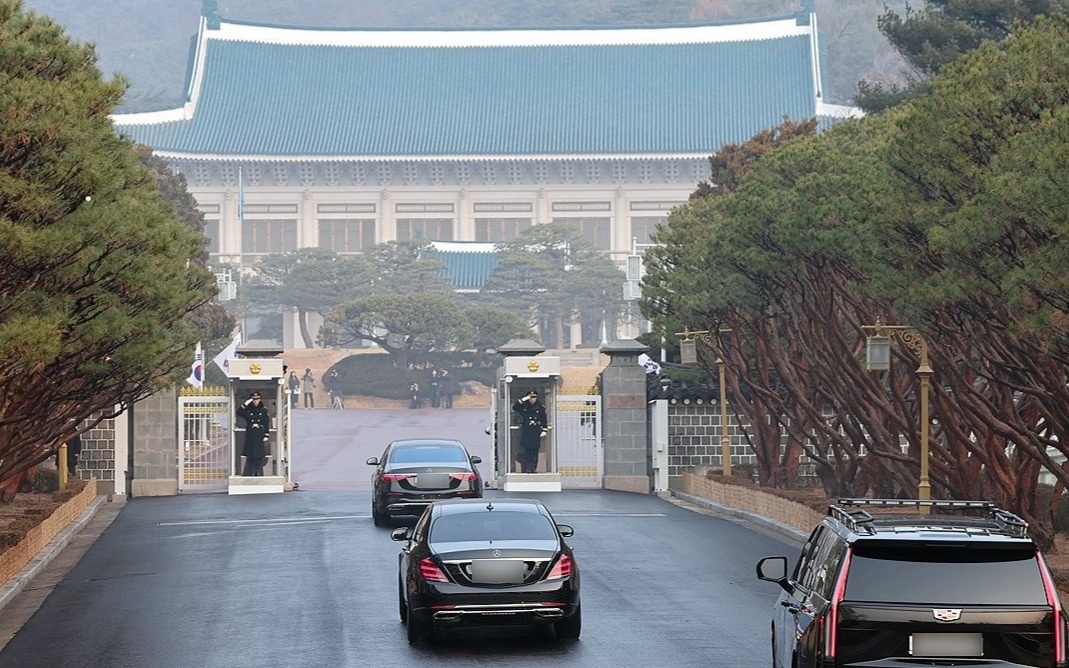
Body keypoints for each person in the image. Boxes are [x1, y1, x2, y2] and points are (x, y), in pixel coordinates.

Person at [512, 389, 548, 474]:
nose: (532, 399)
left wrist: (544, 429)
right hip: (526, 431)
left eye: (534, 397)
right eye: (531, 397)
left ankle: (533, 468)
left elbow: (544, 419)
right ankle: (528, 468)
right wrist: (523, 399)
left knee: (535, 451)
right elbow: (515, 407)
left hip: (535, 431)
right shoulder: (524, 406)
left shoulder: (540, 407)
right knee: (527, 451)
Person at [236, 392, 271, 476]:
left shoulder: (263, 410)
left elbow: (266, 423)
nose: (256, 401)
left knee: (259, 455)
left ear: (260, 399)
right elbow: (239, 411)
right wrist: (246, 403)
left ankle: (258, 472)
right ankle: (251, 472)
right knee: (250, 455)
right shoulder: (248, 410)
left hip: (259, 433)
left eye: (257, 399)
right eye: (254, 399)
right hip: (251, 433)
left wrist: (266, 434)